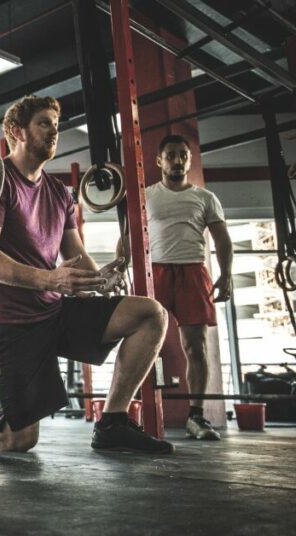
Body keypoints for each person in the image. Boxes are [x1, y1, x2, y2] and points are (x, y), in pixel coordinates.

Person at [0, 95, 174, 454]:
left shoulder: (58, 192)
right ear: (18, 131)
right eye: (44, 123)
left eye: (56, 125)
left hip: (53, 311)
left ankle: (113, 421)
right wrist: (49, 279)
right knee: (17, 440)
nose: (54, 132)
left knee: (150, 314)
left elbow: (75, 258)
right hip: (10, 322)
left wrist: (101, 282)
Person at [118, 134, 232, 440]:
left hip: (194, 272)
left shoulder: (206, 198)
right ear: (159, 161)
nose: (178, 160)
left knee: (196, 347)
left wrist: (227, 273)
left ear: (189, 160)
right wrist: (118, 267)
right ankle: (130, 413)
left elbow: (221, 239)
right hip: (155, 273)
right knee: (141, 343)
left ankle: (196, 417)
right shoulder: (146, 195)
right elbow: (129, 237)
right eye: (171, 155)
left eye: (183, 155)